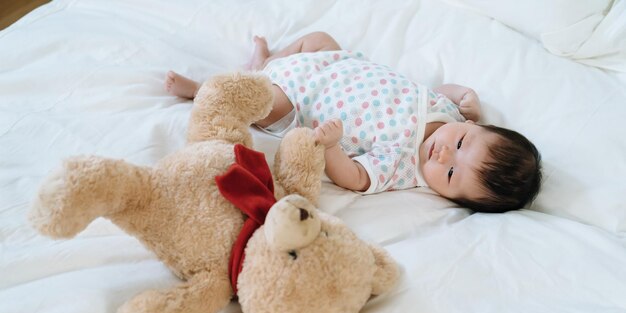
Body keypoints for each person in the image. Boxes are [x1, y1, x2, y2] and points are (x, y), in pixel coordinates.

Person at [165, 32, 541, 213]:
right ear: (476, 128)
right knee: (318, 38)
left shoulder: (405, 166)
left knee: (260, 102)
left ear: (451, 197)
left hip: (298, 102)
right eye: (461, 144)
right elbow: (438, 89)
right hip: (330, 63)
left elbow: (357, 178)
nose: (443, 155)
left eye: (450, 174)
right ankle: (265, 61)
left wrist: (330, 148)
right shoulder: (450, 112)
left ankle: (204, 90)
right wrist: (464, 96)